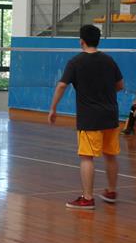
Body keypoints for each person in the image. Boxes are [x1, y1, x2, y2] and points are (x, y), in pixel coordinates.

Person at [48, 25, 124, 209]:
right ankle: (111, 191)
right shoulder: (109, 60)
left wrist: (53, 108)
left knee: (87, 157)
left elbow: (61, 85)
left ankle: (87, 198)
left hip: (90, 118)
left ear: (81, 41)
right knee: (110, 155)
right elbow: (120, 85)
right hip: (111, 115)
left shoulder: (75, 62)